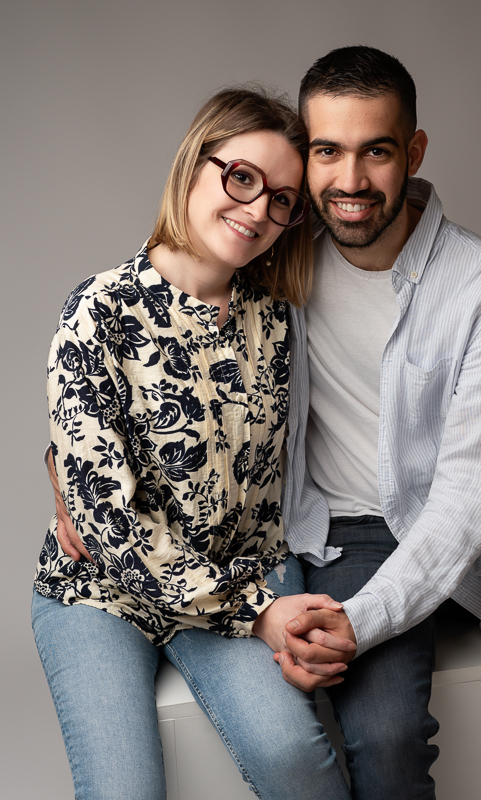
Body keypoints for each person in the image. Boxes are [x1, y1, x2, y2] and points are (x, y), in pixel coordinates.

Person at [32, 87, 355, 800]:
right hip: (102, 593)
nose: (257, 210)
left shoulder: (279, 321)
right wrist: (257, 614)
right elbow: (106, 519)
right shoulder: (100, 309)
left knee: (295, 760)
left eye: (281, 200)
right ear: (193, 165)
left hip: (237, 577)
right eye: (240, 177)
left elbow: (377, 216)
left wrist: (262, 603)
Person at [270, 45, 481, 799]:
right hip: (352, 531)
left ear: (413, 151)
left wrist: (362, 621)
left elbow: (468, 493)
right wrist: (64, 454)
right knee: (387, 740)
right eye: (326, 151)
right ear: (303, 156)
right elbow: (150, 324)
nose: (349, 181)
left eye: (374, 151)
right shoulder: (277, 256)